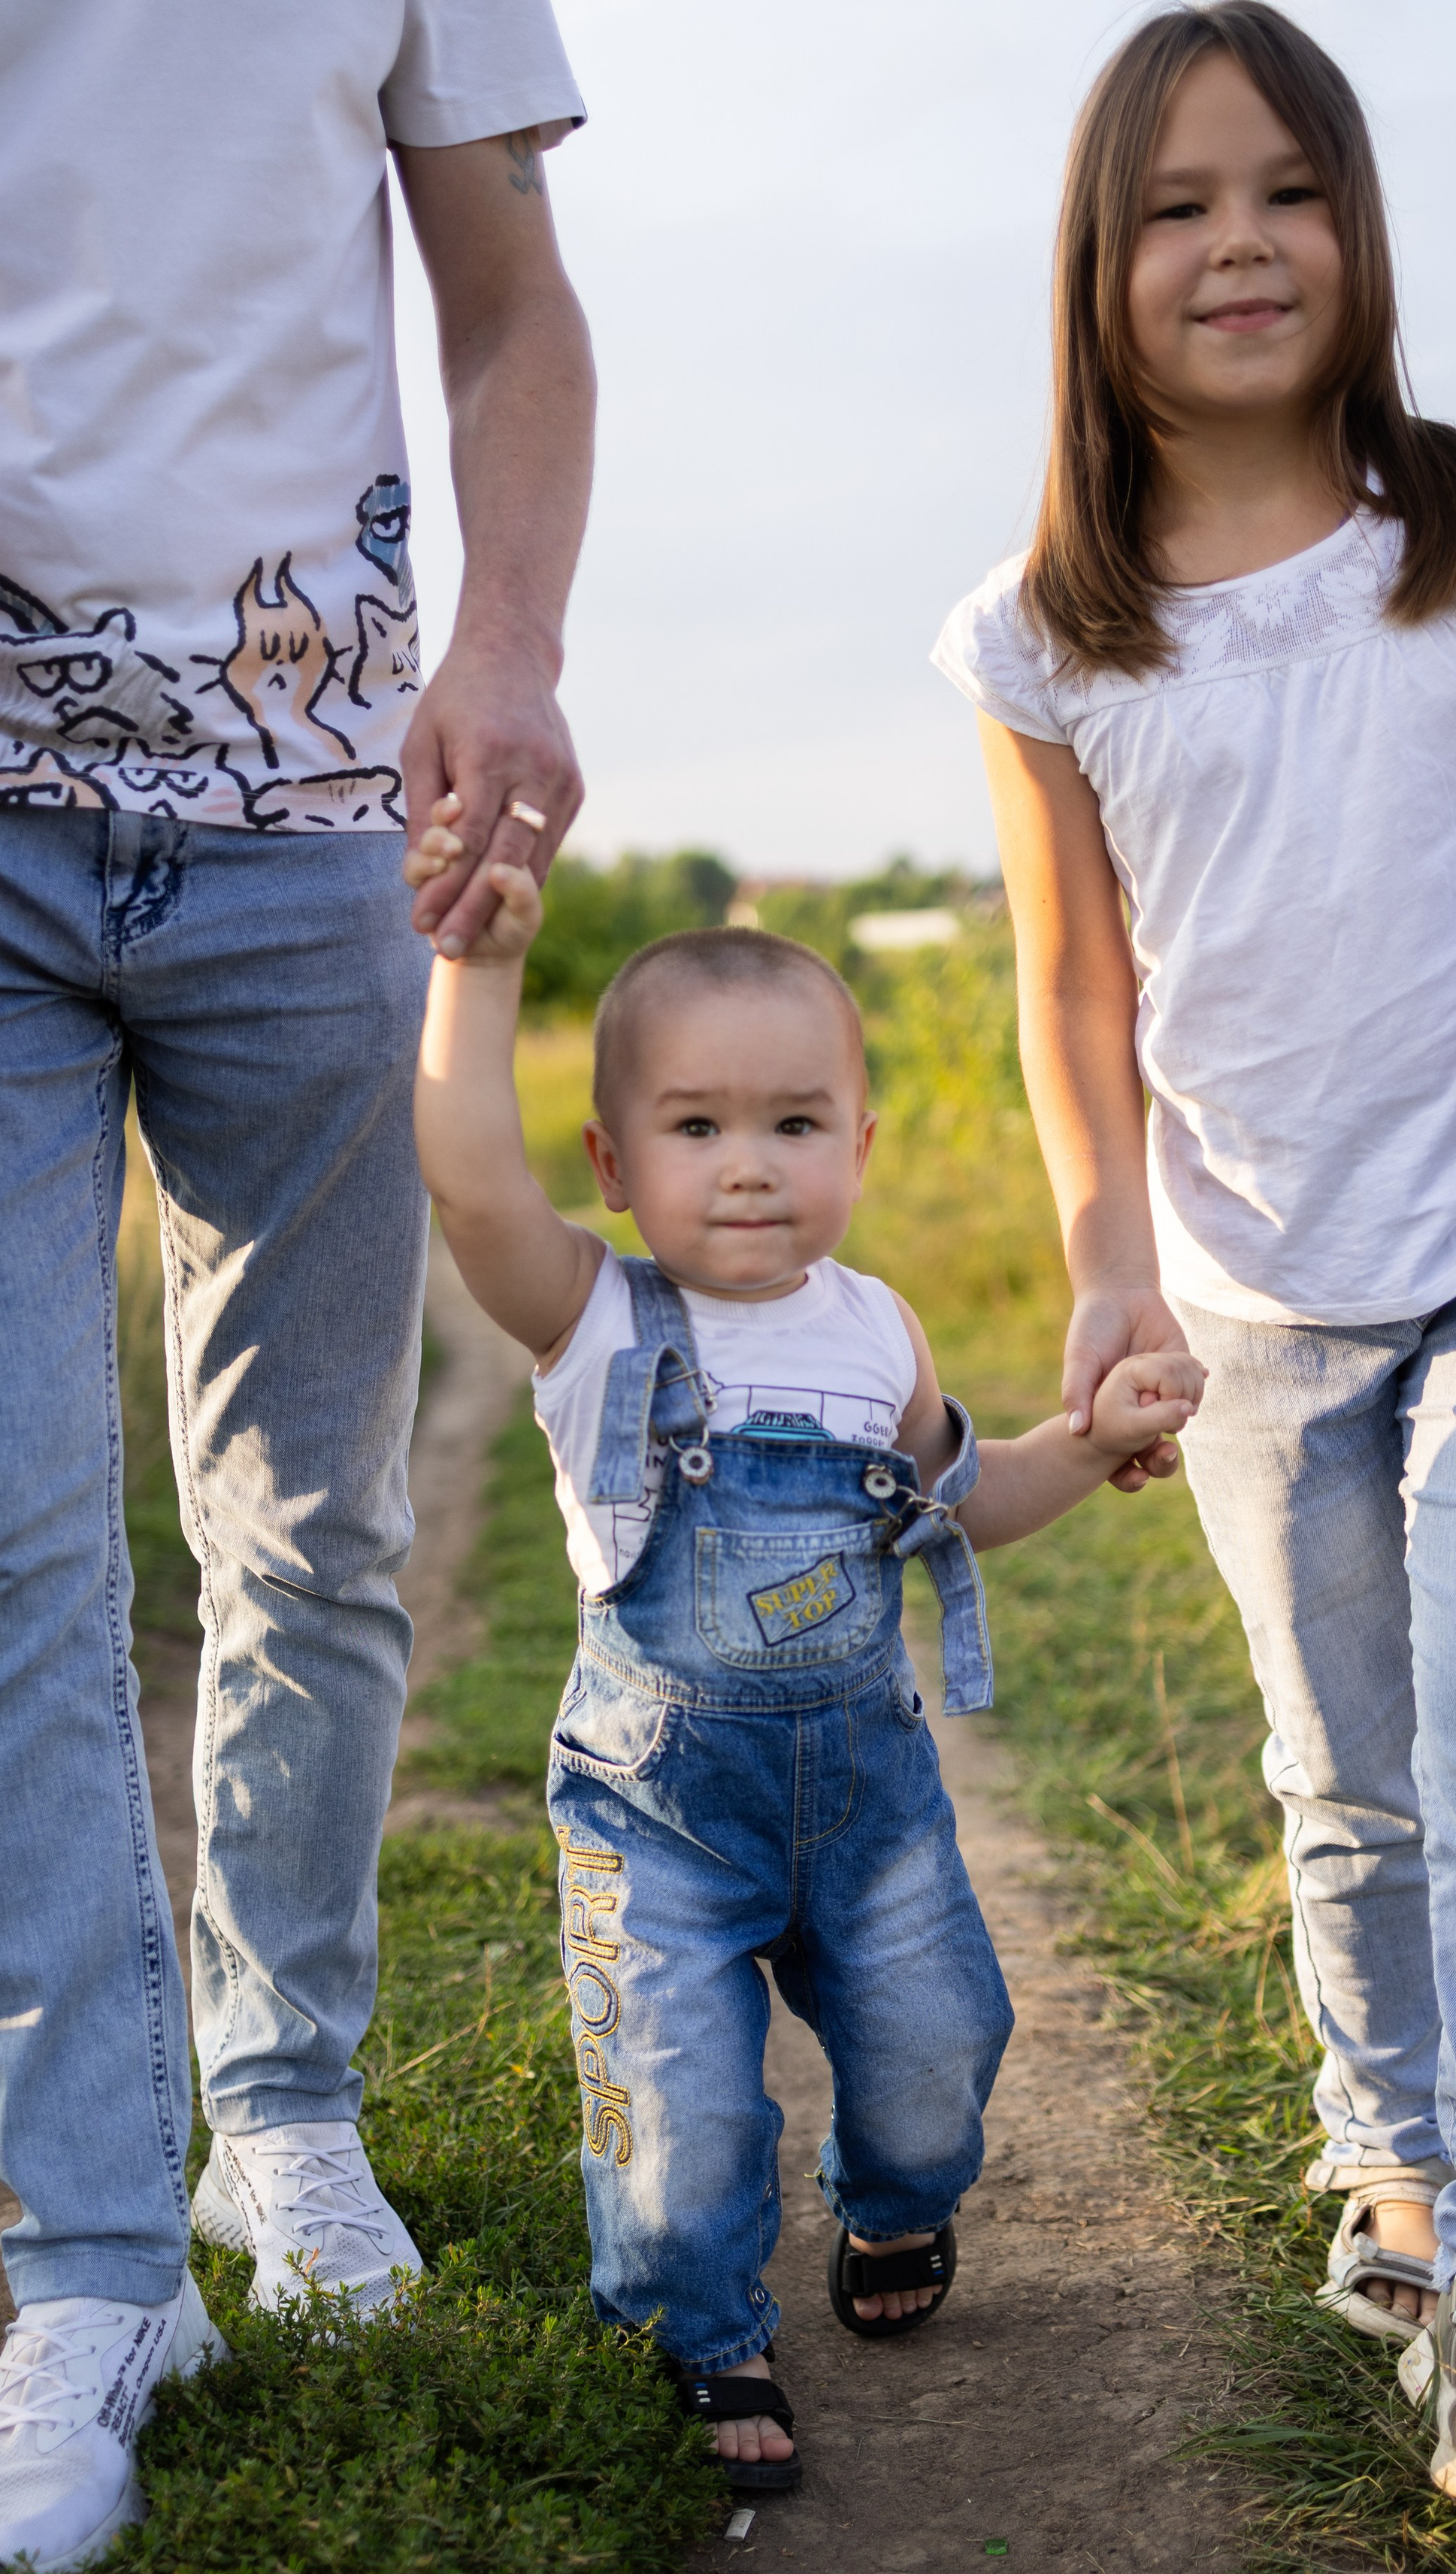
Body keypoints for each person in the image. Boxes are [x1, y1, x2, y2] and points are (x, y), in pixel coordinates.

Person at [0, 0, 596, 2574]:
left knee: (316, 1525)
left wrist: (508, 643)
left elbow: (505, 296)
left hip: (314, 822)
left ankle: (287, 2112)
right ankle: (97, 2283)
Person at [934, 0, 1456, 2537]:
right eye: (1177, 206)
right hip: (1261, 1294)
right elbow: (1076, 991)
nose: (1240, 242)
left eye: (1288, 189)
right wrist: (1102, 1262)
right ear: (1100, 264)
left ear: (1358, 228)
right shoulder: (1045, 630)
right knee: (1346, 1778)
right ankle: (1388, 2166)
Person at [409, 825, 1206, 2485]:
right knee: (673, 2108)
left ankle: (896, 2205)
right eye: (694, 1128)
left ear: (859, 1137)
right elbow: (471, 1173)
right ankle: (703, 2330)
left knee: (934, 2059)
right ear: (614, 1161)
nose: (749, 1165)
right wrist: (479, 967)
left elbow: (958, 1504)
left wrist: (1088, 1434)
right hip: (659, 1811)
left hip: (867, 1801)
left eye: (791, 1123)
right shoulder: (592, 1317)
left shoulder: (877, 1327)